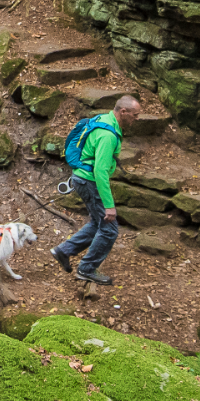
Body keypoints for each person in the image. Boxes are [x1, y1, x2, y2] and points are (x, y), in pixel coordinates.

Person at [53, 95, 139, 285]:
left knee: (98, 223)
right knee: (109, 229)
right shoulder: (107, 135)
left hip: (82, 178)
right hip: (89, 181)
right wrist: (110, 206)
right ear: (123, 112)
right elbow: (100, 172)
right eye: (135, 115)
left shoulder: (104, 120)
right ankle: (86, 269)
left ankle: (64, 251)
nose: (137, 119)